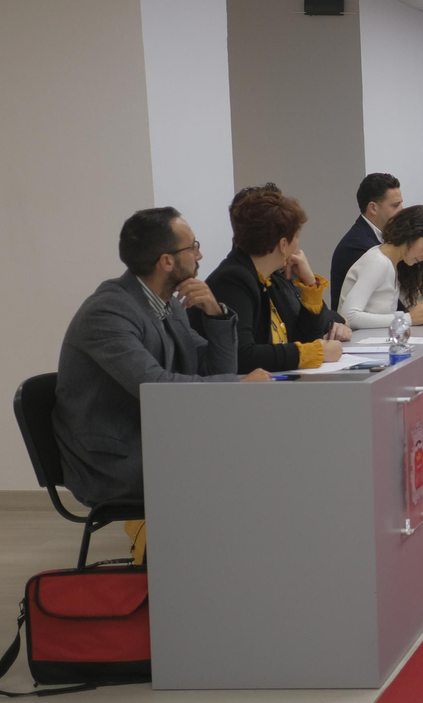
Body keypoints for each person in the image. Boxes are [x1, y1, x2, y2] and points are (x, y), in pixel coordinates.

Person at [54, 208, 268, 521]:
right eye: (192, 247)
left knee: (257, 453)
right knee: (241, 465)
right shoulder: (108, 312)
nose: (200, 254)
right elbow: (157, 387)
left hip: (157, 438)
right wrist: (239, 384)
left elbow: (212, 369)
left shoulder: (168, 302)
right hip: (112, 461)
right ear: (167, 261)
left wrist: (215, 314)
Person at [207, 190, 349, 373]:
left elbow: (306, 337)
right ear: (283, 245)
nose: (297, 244)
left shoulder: (269, 278)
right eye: (296, 237)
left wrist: (309, 283)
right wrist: (316, 352)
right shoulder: (232, 280)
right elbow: (243, 355)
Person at [338, 206, 423, 329]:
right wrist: (408, 318)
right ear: (411, 234)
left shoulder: (395, 264)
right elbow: (349, 316)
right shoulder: (377, 262)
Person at [330, 173, 403, 310]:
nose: (402, 210)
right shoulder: (357, 245)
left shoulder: (381, 237)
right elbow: (394, 299)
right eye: (395, 205)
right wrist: (411, 317)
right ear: (373, 208)